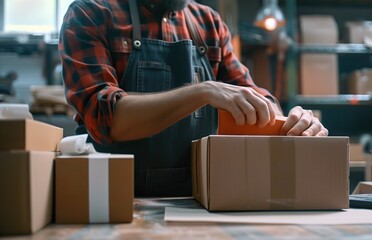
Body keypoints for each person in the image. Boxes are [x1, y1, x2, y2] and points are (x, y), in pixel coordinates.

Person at [59, 0, 328, 197]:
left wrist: (292, 121)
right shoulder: (90, 14)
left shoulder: (207, 23)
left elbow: (253, 98)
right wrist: (201, 91)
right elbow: (106, 119)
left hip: (196, 201)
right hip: (107, 199)